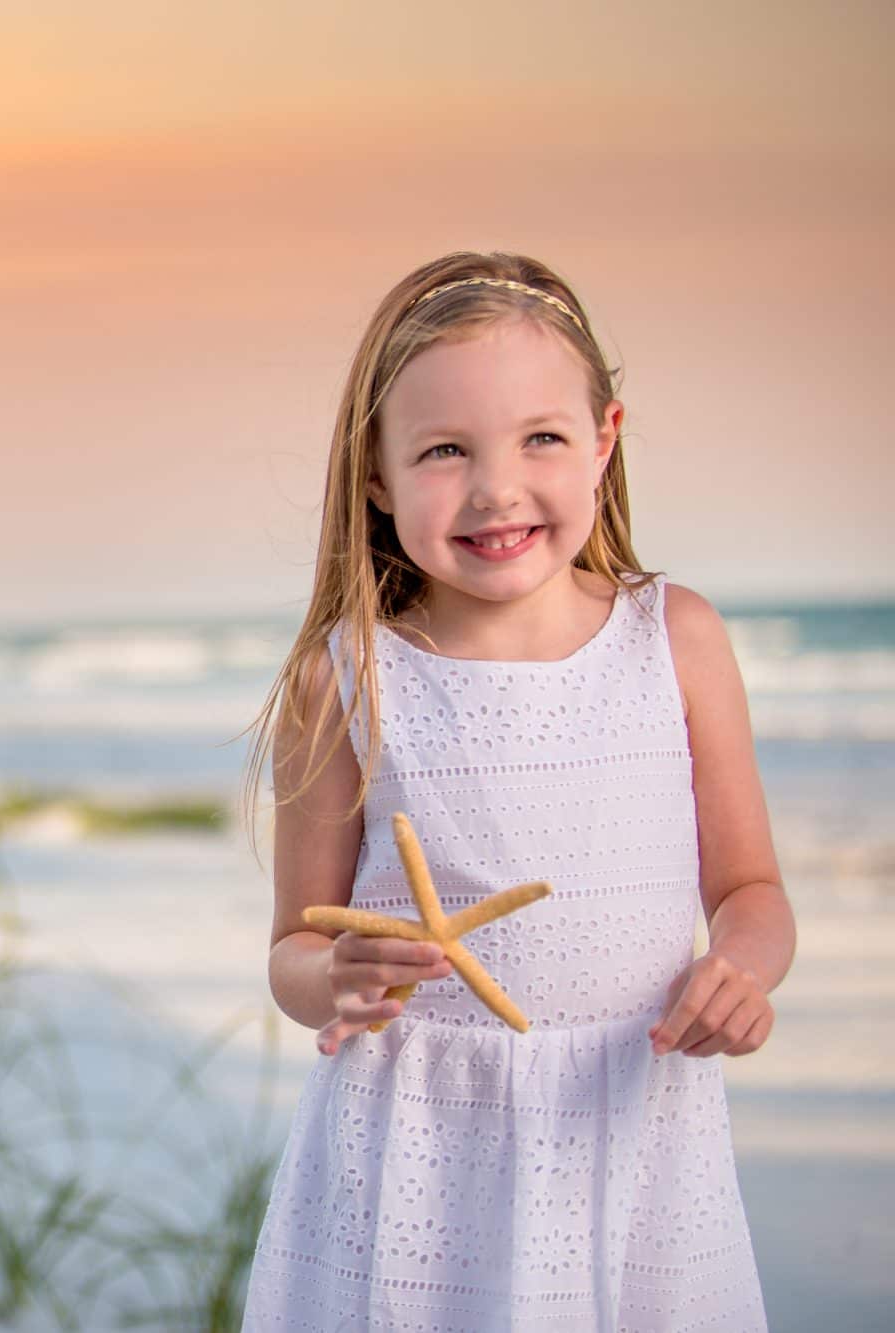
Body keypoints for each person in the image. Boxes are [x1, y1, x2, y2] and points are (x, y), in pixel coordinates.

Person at [236, 251, 794, 1329]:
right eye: (443, 450)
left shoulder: (674, 640)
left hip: (630, 1118)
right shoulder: (346, 677)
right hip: (415, 1143)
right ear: (375, 477)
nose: (496, 488)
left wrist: (738, 971)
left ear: (603, 440)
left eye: (540, 437)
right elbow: (290, 954)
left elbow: (749, 889)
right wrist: (335, 978)